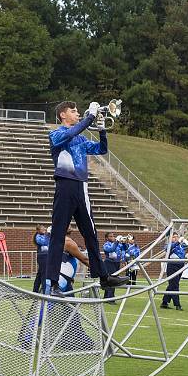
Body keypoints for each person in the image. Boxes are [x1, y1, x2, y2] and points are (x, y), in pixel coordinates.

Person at [45, 101, 128, 296]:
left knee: (91, 234)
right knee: (58, 236)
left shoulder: (81, 140)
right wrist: (90, 117)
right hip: (65, 185)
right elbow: (68, 135)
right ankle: (54, 283)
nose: (78, 114)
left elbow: (101, 149)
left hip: (81, 187)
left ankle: (103, 277)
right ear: (62, 115)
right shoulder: (55, 134)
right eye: (73, 111)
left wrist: (101, 130)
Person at [160, 233, 186, 311]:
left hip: (180, 266)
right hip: (172, 265)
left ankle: (164, 302)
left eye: (176, 237)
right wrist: (177, 242)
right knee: (175, 285)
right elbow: (168, 248)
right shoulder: (168, 245)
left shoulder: (181, 246)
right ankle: (177, 304)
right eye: (173, 237)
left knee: (172, 285)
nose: (175, 238)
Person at [103, 233, 121, 303]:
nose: (113, 237)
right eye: (111, 236)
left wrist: (124, 243)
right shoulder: (106, 245)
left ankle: (106, 297)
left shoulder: (117, 244)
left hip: (116, 262)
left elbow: (125, 248)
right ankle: (110, 298)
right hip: (109, 262)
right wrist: (117, 242)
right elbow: (111, 249)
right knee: (112, 279)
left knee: (114, 279)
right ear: (106, 238)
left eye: (113, 236)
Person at [32, 225, 50, 293]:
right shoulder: (38, 236)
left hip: (46, 256)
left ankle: (35, 290)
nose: (44, 229)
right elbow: (44, 242)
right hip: (42, 257)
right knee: (44, 274)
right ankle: (45, 290)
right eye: (42, 229)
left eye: (44, 228)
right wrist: (48, 235)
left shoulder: (45, 236)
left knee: (39, 275)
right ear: (38, 230)